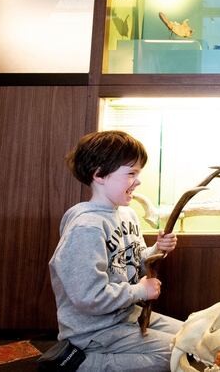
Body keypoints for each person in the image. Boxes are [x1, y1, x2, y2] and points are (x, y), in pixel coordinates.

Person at [49, 130, 181, 372]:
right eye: (131, 173)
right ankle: (79, 364)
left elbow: (134, 261)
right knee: (174, 356)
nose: (138, 181)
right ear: (99, 174)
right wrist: (140, 290)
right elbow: (89, 296)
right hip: (94, 331)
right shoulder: (85, 228)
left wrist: (156, 250)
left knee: (190, 337)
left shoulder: (127, 215)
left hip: (126, 315)